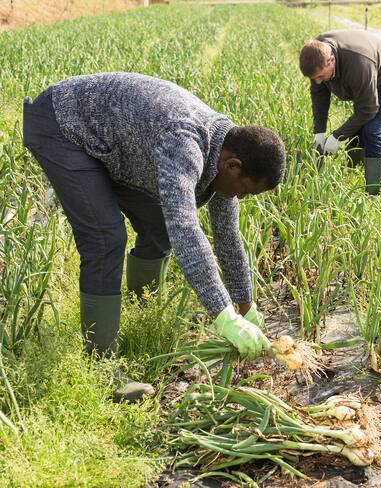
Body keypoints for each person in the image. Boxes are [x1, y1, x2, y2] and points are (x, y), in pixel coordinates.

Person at [22, 72, 286, 401]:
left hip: (110, 145)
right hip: (63, 127)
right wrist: (223, 314)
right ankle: (103, 371)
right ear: (233, 166)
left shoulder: (227, 149)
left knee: (157, 225)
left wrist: (246, 306)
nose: (241, 198)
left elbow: (227, 237)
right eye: (246, 191)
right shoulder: (186, 143)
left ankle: (140, 310)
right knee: (105, 239)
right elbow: (184, 226)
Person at [299, 29, 381, 195]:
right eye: (313, 78)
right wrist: (319, 132)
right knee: (358, 125)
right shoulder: (316, 54)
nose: (317, 82)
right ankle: (353, 168)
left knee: (372, 129)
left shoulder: (358, 64)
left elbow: (368, 109)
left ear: (331, 61)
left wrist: (337, 137)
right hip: (368, 75)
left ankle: (373, 191)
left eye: (321, 77)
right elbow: (319, 98)